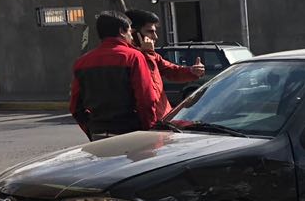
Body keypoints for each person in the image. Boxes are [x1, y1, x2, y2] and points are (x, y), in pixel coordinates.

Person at [69, 11, 166, 139]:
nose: (131, 37)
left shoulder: (82, 62)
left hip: (98, 131)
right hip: (131, 132)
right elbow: (146, 100)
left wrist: (91, 128)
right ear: (121, 31)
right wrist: (149, 129)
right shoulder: (134, 57)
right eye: (129, 32)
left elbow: (75, 106)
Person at [126, 9, 205, 111]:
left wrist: (192, 71)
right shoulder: (128, 56)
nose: (155, 37)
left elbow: (171, 70)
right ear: (133, 33)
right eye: (150, 31)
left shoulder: (151, 54)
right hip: (147, 116)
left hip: (162, 115)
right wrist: (147, 54)